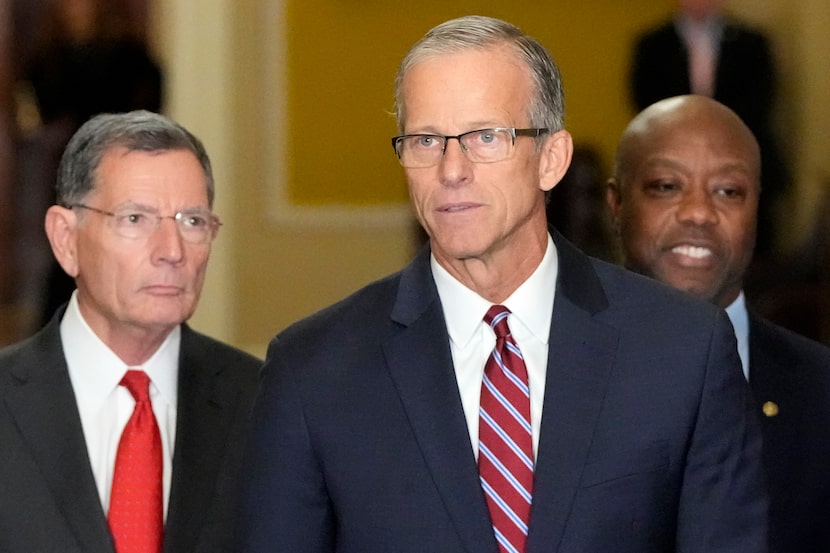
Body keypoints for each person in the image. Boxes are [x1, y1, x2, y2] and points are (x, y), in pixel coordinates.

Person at [237, 15, 768, 553]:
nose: (451, 170)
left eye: (485, 136)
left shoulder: (683, 350)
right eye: (426, 140)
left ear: (551, 159)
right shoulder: (313, 371)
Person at [0, 110, 262, 553]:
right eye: (136, 219)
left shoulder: (265, 403)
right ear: (66, 239)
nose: (172, 251)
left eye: (192, 221)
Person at [606, 94, 830, 552]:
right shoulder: (541, 377)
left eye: (729, 191)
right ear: (616, 201)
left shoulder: (822, 392)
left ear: (756, 210)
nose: (699, 213)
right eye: (666, 185)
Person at [630, 0, 787, 257]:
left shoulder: (751, 43)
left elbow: (760, 102)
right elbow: (645, 104)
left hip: (741, 159)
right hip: (672, 158)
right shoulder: (652, 44)